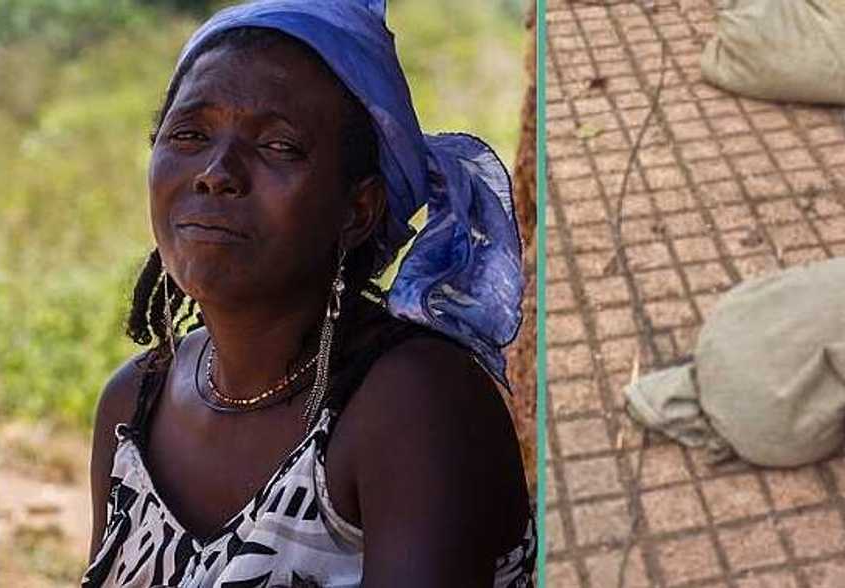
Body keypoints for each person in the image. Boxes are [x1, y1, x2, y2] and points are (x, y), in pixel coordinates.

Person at [83, 1, 535, 586]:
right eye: (190, 134)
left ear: (357, 210)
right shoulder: (132, 404)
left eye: (278, 146)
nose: (217, 171)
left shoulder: (413, 404)